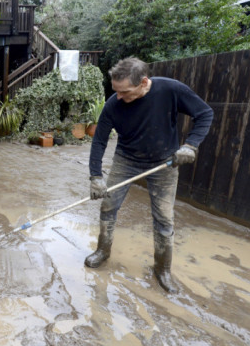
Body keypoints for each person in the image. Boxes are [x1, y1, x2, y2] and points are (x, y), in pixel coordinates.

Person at [86, 57, 213, 293]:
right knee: (107, 206)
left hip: (164, 163)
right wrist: (95, 176)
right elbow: (100, 140)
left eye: (125, 92)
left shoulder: (171, 90)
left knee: (164, 217)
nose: (119, 97)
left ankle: (162, 268)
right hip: (126, 160)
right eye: (116, 91)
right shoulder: (114, 104)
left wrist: (190, 145)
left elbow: (205, 114)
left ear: (144, 82)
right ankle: (102, 251)